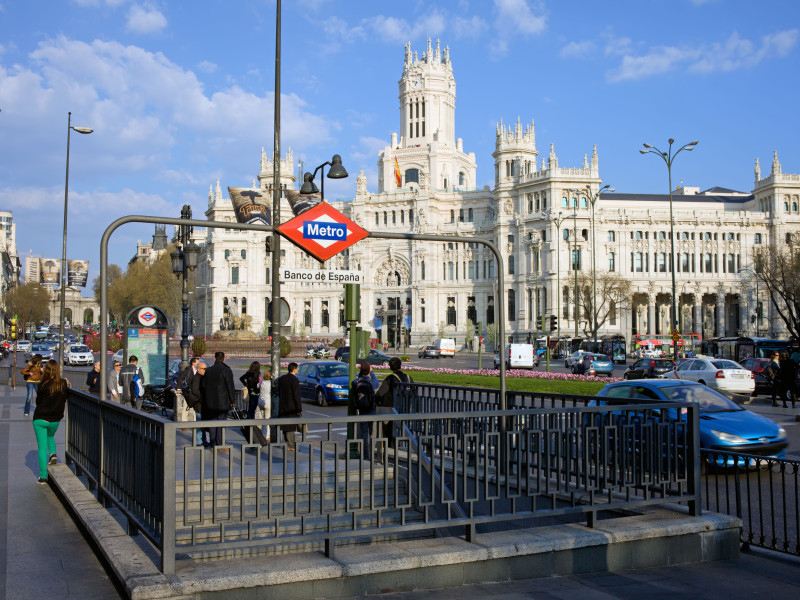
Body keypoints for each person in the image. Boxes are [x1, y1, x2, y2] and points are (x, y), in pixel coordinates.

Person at [32, 360, 70, 484]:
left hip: (40, 418)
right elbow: (67, 392)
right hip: (55, 419)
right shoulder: (63, 384)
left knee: (42, 448)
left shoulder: (42, 384)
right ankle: (53, 453)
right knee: (50, 435)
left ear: (47, 370)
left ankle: (43, 477)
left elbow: (38, 402)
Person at [376, 357, 412, 448]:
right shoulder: (408, 378)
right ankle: (399, 445)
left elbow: (380, 393)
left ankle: (390, 447)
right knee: (403, 430)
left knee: (389, 430)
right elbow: (414, 393)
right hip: (405, 408)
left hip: (393, 409)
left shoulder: (390, 378)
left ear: (390, 367)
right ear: (400, 366)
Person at [202, 351, 235, 447]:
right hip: (222, 402)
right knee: (221, 422)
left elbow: (204, 386)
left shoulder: (208, 370)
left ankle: (212, 442)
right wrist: (232, 400)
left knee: (212, 422)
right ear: (224, 359)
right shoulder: (226, 370)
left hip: (210, 402)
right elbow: (230, 387)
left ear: (214, 358)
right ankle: (219, 442)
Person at [351, 362, 376, 460]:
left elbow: (355, 383)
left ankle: (366, 455)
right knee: (372, 433)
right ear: (369, 370)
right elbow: (376, 383)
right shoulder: (372, 382)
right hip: (372, 409)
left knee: (364, 434)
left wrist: (362, 373)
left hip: (362, 410)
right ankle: (373, 454)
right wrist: (372, 372)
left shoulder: (355, 382)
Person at [277, 362, 302, 450]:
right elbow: (296, 396)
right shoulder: (294, 380)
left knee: (284, 426)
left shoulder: (282, 378)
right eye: (297, 369)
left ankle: (285, 444)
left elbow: (278, 391)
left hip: (283, 406)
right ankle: (291, 445)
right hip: (292, 407)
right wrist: (299, 408)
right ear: (294, 370)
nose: (297, 370)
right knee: (291, 427)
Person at [174, 357, 198, 422]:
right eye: (197, 362)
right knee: (185, 407)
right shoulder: (188, 370)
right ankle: (184, 422)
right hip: (188, 392)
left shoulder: (197, 370)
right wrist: (179, 388)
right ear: (193, 363)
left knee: (195, 407)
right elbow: (180, 378)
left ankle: (194, 421)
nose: (198, 364)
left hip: (195, 392)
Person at [189, 361, 206, 445]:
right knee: (200, 422)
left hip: (201, 404)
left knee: (202, 423)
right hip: (199, 404)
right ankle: (198, 441)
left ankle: (203, 440)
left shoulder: (201, 377)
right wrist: (204, 396)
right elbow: (195, 390)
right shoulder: (197, 378)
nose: (205, 370)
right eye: (204, 369)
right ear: (198, 369)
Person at [255, 367, 272, 441]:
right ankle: (267, 436)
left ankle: (262, 433)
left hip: (260, 402)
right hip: (268, 402)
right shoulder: (271, 383)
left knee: (263, 419)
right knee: (268, 419)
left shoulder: (262, 382)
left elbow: (257, 386)